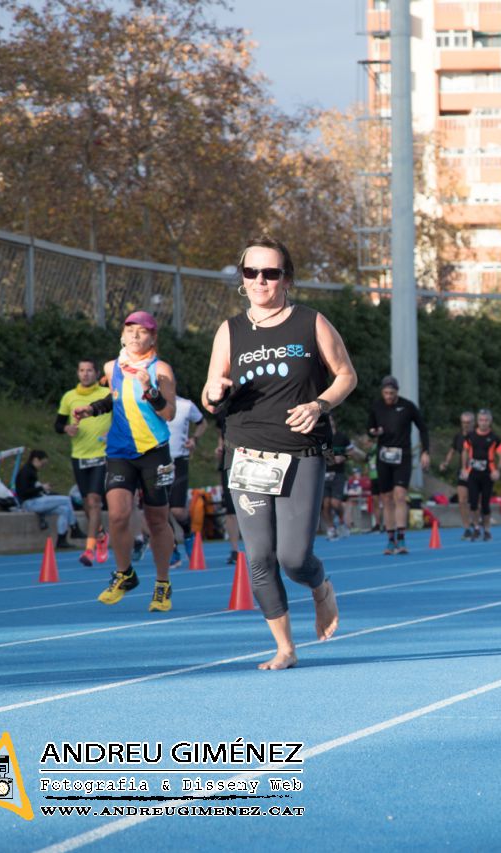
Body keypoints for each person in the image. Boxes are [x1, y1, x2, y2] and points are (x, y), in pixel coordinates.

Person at [202, 236, 358, 670]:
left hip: (301, 452)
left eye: (269, 273)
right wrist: (214, 392)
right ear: (242, 278)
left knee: (293, 557)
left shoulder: (311, 322)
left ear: (286, 278)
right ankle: (285, 648)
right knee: (259, 558)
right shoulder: (230, 330)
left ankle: (320, 585)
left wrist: (319, 404)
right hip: (247, 454)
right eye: (251, 272)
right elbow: (210, 392)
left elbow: (346, 375)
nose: (259, 281)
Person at [71, 311, 178, 611]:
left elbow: (169, 413)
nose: (134, 336)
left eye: (142, 332)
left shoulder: (161, 369)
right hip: (119, 451)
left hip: (154, 451)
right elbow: (115, 397)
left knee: (157, 520)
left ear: (153, 338)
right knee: (117, 514)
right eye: (130, 330)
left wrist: (150, 389)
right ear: (122, 335)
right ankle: (125, 574)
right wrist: (91, 409)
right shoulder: (111, 366)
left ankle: (162, 583)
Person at [367, 375, 431, 555]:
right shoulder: (376, 406)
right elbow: (369, 428)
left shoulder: (408, 406)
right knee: (386, 498)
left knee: (400, 495)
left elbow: (423, 428)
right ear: (382, 392)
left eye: (391, 393)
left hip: (403, 455)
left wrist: (426, 451)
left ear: (397, 392)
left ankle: (402, 537)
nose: (388, 396)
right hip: (383, 456)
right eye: (386, 393)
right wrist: (373, 432)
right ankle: (390, 539)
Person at [55, 358, 110, 565]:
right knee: (87, 503)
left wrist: (111, 432)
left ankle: (89, 550)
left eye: (89, 370)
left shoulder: (105, 395)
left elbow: (123, 419)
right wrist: (66, 429)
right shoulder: (69, 397)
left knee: (95, 501)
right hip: (79, 455)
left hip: (102, 455)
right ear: (78, 373)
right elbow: (58, 424)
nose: (85, 374)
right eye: (81, 370)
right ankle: (102, 535)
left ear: (96, 373)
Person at [165, 392, 207, 568]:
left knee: (177, 510)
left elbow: (202, 423)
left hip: (179, 460)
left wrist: (194, 439)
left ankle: (188, 534)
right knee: (160, 510)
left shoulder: (186, 405)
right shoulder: (148, 405)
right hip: (155, 460)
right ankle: (172, 547)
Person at [14, 449, 79, 549]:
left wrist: (43, 489)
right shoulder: (26, 472)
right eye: (42, 463)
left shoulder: (31, 471)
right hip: (30, 503)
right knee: (66, 499)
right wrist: (41, 488)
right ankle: (75, 528)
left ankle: (61, 540)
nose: (42, 466)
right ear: (35, 459)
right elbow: (23, 492)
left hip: (35, 501)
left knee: (64, 510)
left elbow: (32, 489)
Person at [461, 409, 501, 541]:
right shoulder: (470, 436)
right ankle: (476, 528)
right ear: (477, 421)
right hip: (473, 473)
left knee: (485, 504)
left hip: (487, 474)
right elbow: (465, 451)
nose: (483, 423)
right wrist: (464, 468)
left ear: (490, 421)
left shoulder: (494, 438)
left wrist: (498, 470)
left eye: (486, 420)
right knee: (473, 503)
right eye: (481, 420)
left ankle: (487, 530)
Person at [322, 423, 365, 540]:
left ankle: (342, 522)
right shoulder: (320, 436)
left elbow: (351, 452)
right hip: (323, 474)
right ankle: (331, 528)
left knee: (335, 502)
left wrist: (343, 457)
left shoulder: (342, 437)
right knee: (325, 504)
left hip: (338, 474)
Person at [214, 411, 243, 564]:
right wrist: (219, 447)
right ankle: (234, 550)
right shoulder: (223, 410)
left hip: (252, 460)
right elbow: (222, 434)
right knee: (231, 510)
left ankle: (267, 549)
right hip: (229, 462)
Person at [443, 411, 476, 538]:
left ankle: (476, 523)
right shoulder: (458, 437)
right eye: (463, 423)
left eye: (468, 423)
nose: (466, 425)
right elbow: (452, 451)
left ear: (474, 423)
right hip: (463, 471)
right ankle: (467, 527)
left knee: (475, 500)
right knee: (462, 500)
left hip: (477, 471)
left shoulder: (478, 435)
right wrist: (446, 463)